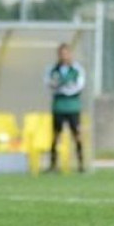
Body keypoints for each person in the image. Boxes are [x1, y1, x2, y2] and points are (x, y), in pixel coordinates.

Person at [44, 43, 86, 173]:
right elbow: (49, 83)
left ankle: (81, 165)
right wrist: (61, 86)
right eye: (61, 54)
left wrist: (64, 88)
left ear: (70, 54)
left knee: (77, 135)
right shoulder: (53, 69)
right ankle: (53, 165)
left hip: (73, 107)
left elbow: (79, 86)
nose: (64, 56)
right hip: (59, 107)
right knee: (56, 136)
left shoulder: (77, 69)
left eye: (66, 53)